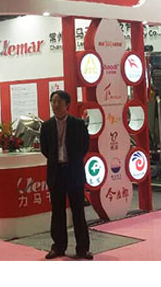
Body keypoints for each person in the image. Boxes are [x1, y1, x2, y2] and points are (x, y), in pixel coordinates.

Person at [39, 90, 92, 260]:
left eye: (59, 102)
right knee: (57, 212)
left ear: (67, 104)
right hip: (56, 172)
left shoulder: (78, 124)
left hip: (74, 172)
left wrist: (72, 160)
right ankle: (58, 247)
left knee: (78, 212)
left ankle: (83, 249)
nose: (55, 105)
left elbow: (84, 146)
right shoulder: (46, 126)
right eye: (53, 102)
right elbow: (45, 149)